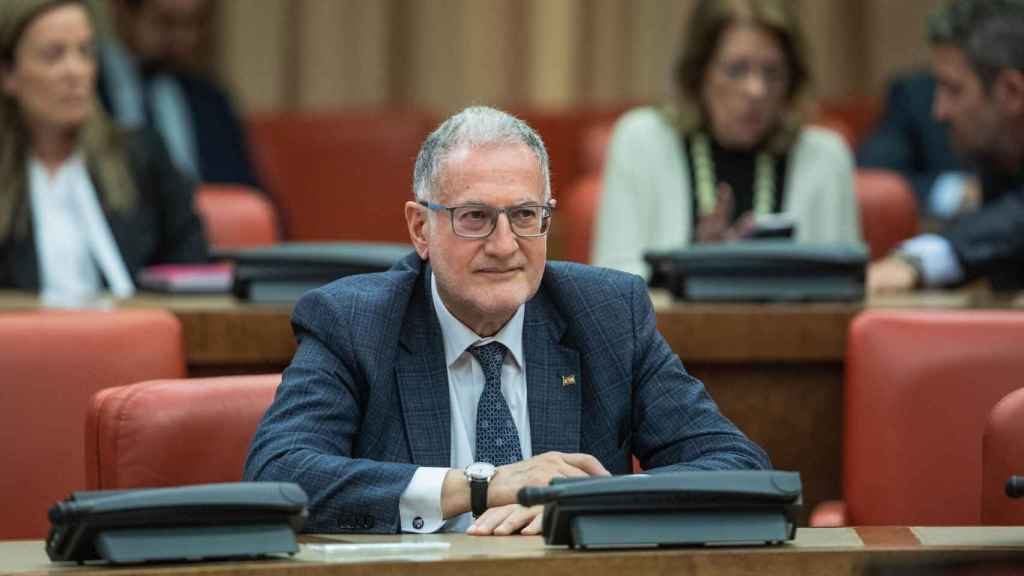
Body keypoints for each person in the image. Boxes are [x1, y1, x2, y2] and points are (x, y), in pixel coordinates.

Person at [244, 106, 770, 535]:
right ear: (420, 228)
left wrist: (583, 504)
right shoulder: (355, 321)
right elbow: (279, 475)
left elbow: (737, 465)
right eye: (474, 217)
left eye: (524, 215)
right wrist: (482, 486)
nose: (504, 246)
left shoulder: (607, 314)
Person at [592, 0, 861, 279]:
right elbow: (612, 285)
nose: (756, 90)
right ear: (698, 74)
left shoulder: (826, 158)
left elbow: (846, 290)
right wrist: (693, 266)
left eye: (772, 73)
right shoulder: (641, 142)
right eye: (736, 69)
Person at [0, 0, 207, 302]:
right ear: (9, 75)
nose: (76, 71)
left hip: (131, 343)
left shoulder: (143, 157)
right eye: (53, 55)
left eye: (85, 52)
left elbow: (193, 276)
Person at [868, 0, 1024, 293]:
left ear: (1011, 92)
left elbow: (1014, 222)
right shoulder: (997, 155)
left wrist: (916, 262)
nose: (939, 111)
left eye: (953, 89)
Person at [99, 0, 262, 189]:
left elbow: (251, 196)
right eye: (167, 22)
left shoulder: (210, 101)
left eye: (192, 23)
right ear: (122, 13)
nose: (184, 38)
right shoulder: (88, 91)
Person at [857, 71, 974, 220]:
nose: (940, 111)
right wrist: (957, 191)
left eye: (955, 90)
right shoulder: (916, 96)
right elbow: (871, 177)